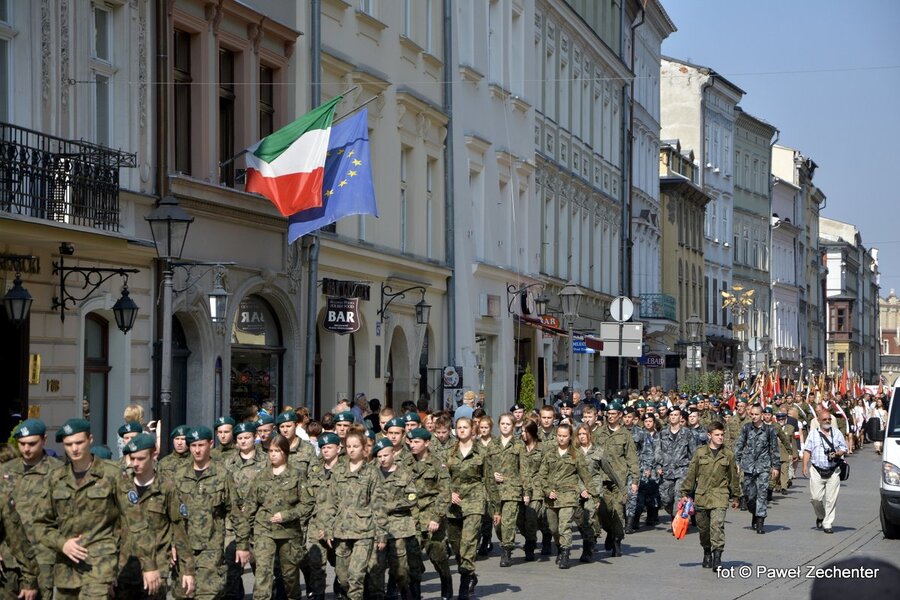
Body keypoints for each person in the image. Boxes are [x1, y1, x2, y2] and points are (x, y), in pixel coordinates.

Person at [33, 418, 151, 599]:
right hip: (66, 569)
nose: (74, 449)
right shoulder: (56, 478)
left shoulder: (112, 474)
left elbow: (136, 521)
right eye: (68, 444)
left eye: (79, 442)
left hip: (99, 566)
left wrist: (149, 566)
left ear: (90, 440)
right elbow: (41, 524)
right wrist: (61, 543)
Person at [172, 426, 250, 600]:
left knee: (209, 594)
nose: (197, 450)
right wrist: (171, 544)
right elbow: (171, 514)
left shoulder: (222, 475)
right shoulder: (180, 475)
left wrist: (242, 545)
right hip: (184, 547)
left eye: (201, 445)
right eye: (193, 446)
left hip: (211, 547)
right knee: (183, 594)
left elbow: (235, 512)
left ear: (210, 444)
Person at [117, 433, 196, 599]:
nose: (135, 464)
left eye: (140, 458)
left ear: (154, 455)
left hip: (157, 566)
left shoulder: (167, 487)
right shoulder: (122, 486)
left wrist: (187, 570)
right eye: (132, 458)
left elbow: (179, 528)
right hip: (124, 565)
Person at [239, 434, 305, 600]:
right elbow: (251, 506)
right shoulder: (261, 476)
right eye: (271, 451)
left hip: (288, 532)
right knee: (263, 573)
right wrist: (243, 537)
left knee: (290, 575)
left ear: (286, 452)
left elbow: (307, 504)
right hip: (264, 530)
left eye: (278, 450)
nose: (273, 454)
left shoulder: (297, 475)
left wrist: (287, 515)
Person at [1, 419, 61, 600]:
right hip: (9, 559)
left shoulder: (58, 472)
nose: (26, 449)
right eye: (22, 444)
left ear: (44, 440)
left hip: (42, 557)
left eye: (32, 444)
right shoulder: (6, 470)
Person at [318, 431, 380, 600]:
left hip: (364, 531)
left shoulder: (372, 473)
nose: (352, 450)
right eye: (349, 446)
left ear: (364, 448)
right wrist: (328, 528)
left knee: (355, 576)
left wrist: (380, 535)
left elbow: (377, 504)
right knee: (343, 577)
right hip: (341, 530)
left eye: (356, 446)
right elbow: (331, 503)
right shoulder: (338, 472)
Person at [445, 417, 498, 600]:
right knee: (456, 543)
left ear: (472, 429)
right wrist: (449, 493)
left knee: (468, 542)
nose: (461, 430)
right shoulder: (449, 452)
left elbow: (489, 481)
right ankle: (470, 574)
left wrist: (496, 508)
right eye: (458, 427)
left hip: (474, 500)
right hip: (453, 503)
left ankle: (464, 583)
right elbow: (442, 478)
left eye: (465, 427)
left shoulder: (482, 452)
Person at [679, 421, 741, 570]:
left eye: (722, 435)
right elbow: (691, 475)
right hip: (702, 496)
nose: (720, 437)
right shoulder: (700, 453)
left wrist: (737, 496)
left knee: (717, 525)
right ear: (709, 435)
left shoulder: (728, 455)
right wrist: (685, 493)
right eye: (717, 435)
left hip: (720, 495)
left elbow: (733, 477)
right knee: (703, 529)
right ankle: (707, 551)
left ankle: (717, 557)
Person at [535, 423, 592, 569]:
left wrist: (593, 494)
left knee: (564, 525)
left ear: (570, 437)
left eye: (564, 436)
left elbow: (585, 476)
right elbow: (542, 475)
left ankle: (566, 554)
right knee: (553, 528)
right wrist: (548, 490)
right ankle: (560, 548)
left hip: (568, 495)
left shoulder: (576, 454)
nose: (561, 439)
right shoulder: (549, 453)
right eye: (559, 436)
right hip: (551, 497)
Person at [371, 437, 420, 600]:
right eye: (379, 456)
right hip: (376, 526)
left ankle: (406, 594)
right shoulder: (372, 473)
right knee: (376, 567)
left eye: (385, 455)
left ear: (393, 453)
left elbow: (412, 497)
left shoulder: (404, 473)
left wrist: (389, 505)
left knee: (400, 570)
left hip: (399, 527)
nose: (382, 459)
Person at [408, 428, 452, 600]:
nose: (413, 445)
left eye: (417, 442)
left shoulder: (437, 463)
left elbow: (444, 492)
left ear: (426, 443)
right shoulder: (405, 463)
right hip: (411, 518)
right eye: (411, 441)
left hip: (432, 517)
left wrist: (436, 517)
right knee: (412, 560)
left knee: (437, 555)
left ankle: (446, 585)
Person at [733, 405, 780, 534]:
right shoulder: (746, 428)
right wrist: (736, 462)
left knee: (762, 494)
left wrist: (775, 466)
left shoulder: (769, 430)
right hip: (748, 466)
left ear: (762, 415)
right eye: (752, 414)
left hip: (763, 466)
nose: (754, 417)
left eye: (756, 414)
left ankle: (760, 521)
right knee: (749, 495)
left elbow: (774, 449)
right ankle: (754, 512)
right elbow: (739, 445)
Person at [802, 407, 848, 534]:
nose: (827, 421)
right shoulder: (813, 434)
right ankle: (821, 516)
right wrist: (804, 466)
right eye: (824, 419)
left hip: (833, 470)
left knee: (831, 499)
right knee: (815, 498)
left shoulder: (837, 433)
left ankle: (827, 523)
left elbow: (844, 448)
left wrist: (837, 453)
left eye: (829, 419)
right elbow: (807, 451)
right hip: (817, 470)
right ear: (818, 420)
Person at [489, 413, 526, 567]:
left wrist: (526, 491)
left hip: (512, 489)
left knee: (508, 522)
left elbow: (524, 469)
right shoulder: (492, 445)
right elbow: (486, 468)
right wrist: (492, 475)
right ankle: (503, 541)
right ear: (499, 425)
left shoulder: (518, 445)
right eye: (502, 424)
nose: (505, 426)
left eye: (508, 424)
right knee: (497, 524)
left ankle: (506, 551)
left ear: (513, 426)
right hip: (495, 491)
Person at [654, 407, 697, 519]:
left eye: (675, 415)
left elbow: (693, 453)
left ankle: (676, 521)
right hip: (666, 470)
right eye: (671, 415)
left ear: (680, 417)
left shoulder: (687, 433)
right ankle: (672, 512)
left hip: (682, 470)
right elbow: (657, 450)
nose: (673, 417)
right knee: (666, 499)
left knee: (679, 495)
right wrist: (658, 465)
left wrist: (693, 471)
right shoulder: (662, 433)